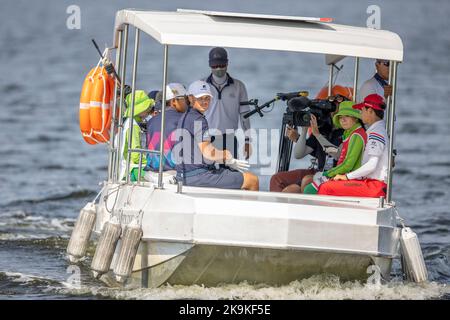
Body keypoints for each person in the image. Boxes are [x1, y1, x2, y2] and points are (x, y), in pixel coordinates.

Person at [175, 80, 259, 191]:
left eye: (207, 98)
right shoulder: (198, 120)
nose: (204, 102)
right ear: (190, 98)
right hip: (198, 176)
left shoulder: (185, 116)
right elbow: (208, 152)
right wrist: (226, 156)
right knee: (252, 180)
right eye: (200, 98)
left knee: (229, 174)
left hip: (184, 175)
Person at [269, 95, 347, 193]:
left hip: (334, 173)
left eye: (337, 111)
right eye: (332, 111)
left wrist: (318, 135)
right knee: (279, 181)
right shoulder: (323, 129)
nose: (333, 114)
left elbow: (337, 154)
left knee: (307, 180)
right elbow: (299, 154)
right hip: (318, 171)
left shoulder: (346, 133)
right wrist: (305, 128)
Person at [318, 94, 389, 197]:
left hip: (375, 185)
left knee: (326, 187)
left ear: (370, 111)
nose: (360, 113)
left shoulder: (376, 133)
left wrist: (347, 177)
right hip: (370, 182)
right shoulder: (376, 130)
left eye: (362, 110)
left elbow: (372, 165)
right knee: (330, 183)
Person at [303, 101, 367, 194]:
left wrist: (327, 174)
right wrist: (317, 134)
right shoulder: (349, 133)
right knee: (312, 184)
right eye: (340, 117)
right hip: (344, 175)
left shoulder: (356, 135)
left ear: (356, 118)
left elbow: (348, 165)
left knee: (309, 189)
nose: (343, 120)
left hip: (351, 178)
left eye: (347, 116)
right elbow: (337, 154)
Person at [203, 47, 251, 159]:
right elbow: (194, 115)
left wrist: (248, 141)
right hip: (206, 139)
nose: (218, 68)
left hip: (229, 139)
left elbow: (245, 116)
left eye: (221, 65)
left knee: (232, 174)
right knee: (208, 175)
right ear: (210, 65)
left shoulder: (239, 86)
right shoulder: (201, 85)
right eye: (215, 66)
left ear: (227, 63)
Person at [145, 83, 188, 172]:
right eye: (185, 99)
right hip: (173, 171)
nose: (188, 102)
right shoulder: (184, 119)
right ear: (173, 101)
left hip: (152, 171)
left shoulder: (151, 121)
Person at [119, 90, 155, 181]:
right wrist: (151, 163)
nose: (149, 110)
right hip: (133, 169)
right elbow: (135, 155)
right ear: (140, 109)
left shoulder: (128, 122)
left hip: (128, 167)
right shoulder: (134, 126)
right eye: (147, 107)